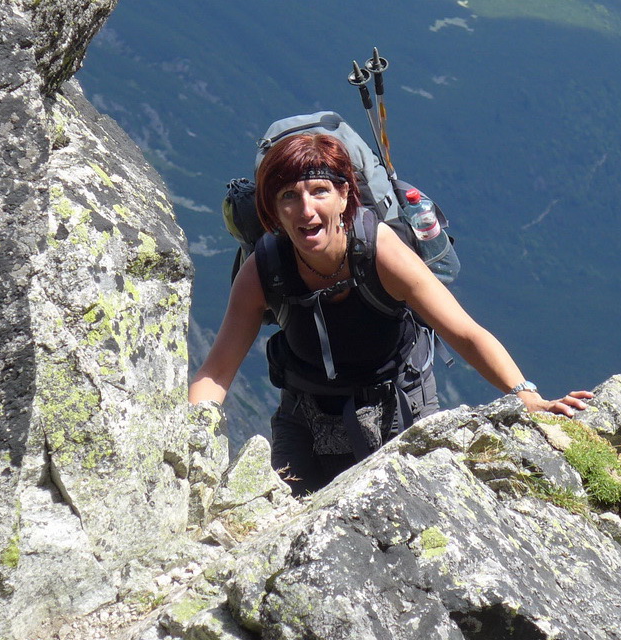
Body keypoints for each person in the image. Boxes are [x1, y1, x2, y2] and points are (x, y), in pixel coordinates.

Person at [189, 133, 593, 495]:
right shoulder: (263, 271)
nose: (306, 210)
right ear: (273, 211)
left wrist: (526, 396)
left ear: (345, 196)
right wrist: (188, 439)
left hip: (400, 409)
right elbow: (216, 372)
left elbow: (465, 332)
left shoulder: (382, 253)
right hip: (306, 419)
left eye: (319, 191)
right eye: (289, 196)